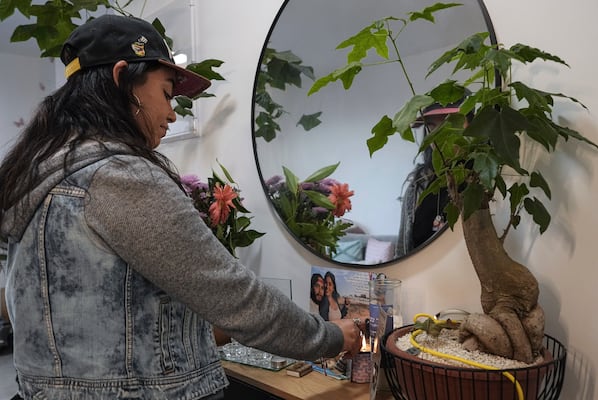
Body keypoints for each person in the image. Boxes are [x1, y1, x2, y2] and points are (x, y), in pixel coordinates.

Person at [0, 14, 363, 400]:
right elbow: (233, 295)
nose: (173, 114)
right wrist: (329, 336)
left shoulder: (32, 175)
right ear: (122, 78)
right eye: (168, 94)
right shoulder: (119, 176)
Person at [396, 96, 468, 257]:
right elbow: (402, 250)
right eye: (431, 126)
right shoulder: (419, 184)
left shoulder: (483, 181)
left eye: (450, 124)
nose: (438, 135)